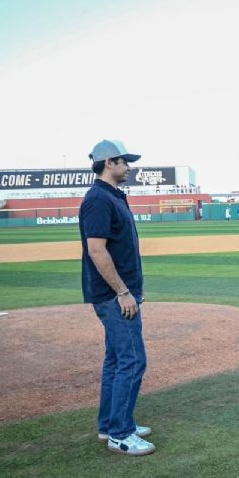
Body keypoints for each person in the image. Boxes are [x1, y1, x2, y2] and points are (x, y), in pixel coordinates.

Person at [79, 139, 154, 456]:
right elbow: (97, 250)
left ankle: (111, 424)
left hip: (122, 291)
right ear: (109, 162)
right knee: (133, 360)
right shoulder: (99, 198)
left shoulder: (112, 196)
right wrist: (123, 292)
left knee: (115, 360)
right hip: (113, 295)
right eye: (125, 161)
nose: (129, 166)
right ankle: (121, 434)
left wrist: (134, 288)